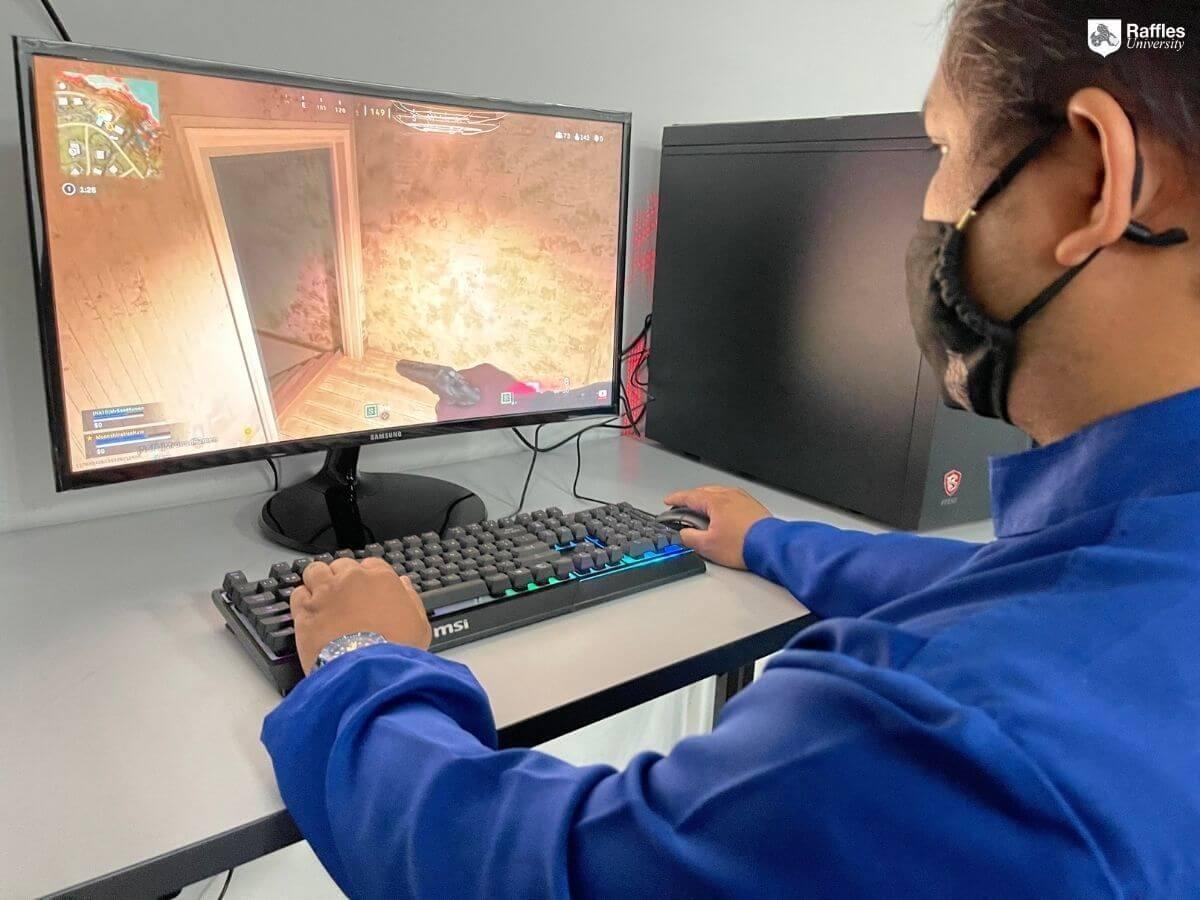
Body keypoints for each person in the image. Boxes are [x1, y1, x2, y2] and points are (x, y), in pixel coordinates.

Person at [262, 2, 1200, 896]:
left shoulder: (934, 732)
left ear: (1099, 181)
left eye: (943, 147)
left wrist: (360, 658)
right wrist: (773, 541)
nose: (927, 198)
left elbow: (535, 870)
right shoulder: (1143, 559)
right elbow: (1017, 581)